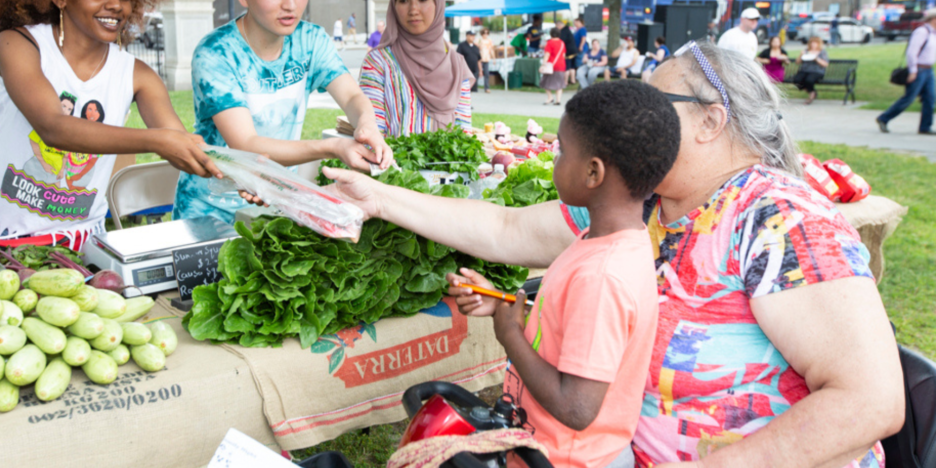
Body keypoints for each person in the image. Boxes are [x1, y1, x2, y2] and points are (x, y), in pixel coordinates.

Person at [322, 40, 904, 468]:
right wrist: (377, 196)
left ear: (710, 121)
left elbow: (870, 401)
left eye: (655, 100)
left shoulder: (779, 217)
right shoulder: (638, 202)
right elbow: (503, 227)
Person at [448, 81, 681, 468]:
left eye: (561, 151)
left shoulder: (603, 277)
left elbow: (576, 407)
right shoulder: (611, 241)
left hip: (566, 459)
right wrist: (505, 304)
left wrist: (509, 335)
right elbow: (570, 324)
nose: (555, 159)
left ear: (593, 173)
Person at [0, 0, 222, 250]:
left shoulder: (138, 75)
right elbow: (53, 127)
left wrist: (240, 178)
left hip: (76, 239)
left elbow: (180, 145)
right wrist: (158, 140)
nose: (116, 5)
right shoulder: (20, 44)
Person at [173, 0, 391, 224]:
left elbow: (352, 95)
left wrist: (367, 125)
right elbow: (246, 144)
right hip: (210, 211)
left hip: (274, 202)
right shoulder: (216, 53)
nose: (290, 3)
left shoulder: (310, 40)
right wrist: (333, 146)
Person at [357, 0, 473, 138]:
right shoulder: (378, 62)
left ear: (438, 3)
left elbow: (464, 133)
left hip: (448, 165)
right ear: (394, 7)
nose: (413, 10)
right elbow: (372, 134)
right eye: (403, 0)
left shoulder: (456, 64)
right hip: (392, 164)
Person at [878, 7, 936, 135]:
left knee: (930, 98)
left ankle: (925, 126)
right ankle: (884, 118)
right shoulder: (922, 31)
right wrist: (913, 70)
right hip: (919, 69)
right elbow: (912, 52)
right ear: (933, 19)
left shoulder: (933, 33)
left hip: (928, 70)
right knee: (909, 98)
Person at [793, 36, 829, 105]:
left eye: (815, 43)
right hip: (805, 70)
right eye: (811, 43)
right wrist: (801, 55)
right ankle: (812, 92)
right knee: (796, 80)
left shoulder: (822, 52)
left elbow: (825, 64)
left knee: (809, 80)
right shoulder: (806, 51)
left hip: (817, 71)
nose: (813, 44)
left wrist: (816, 59)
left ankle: (811, 95)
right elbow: (797, 62)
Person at [540, 27, 567, 105]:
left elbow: (547, 55)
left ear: (551, 34)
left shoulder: (549, 43)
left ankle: (550, 97)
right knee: (559, 83)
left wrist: (543, 65)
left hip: (551, 66)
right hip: (561, 65)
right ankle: (558, 100)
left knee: (544, 82)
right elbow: (564, 55)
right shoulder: (562, 43)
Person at [557, 19, 579, 85]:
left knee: (567, 68)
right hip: (574, 51)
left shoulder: (563, 32)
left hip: (568, 52)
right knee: (572, 67)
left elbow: (561, 41)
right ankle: (573, 80)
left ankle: (565, 82)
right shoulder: (568, 30)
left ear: (559, 25)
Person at [478, 27, 495, 94]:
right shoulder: (479, 40)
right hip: (479, 58)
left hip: (486, 58)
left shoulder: (489, 41)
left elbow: (491, 50)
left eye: (487, 33)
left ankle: (487, 87)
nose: (485, 34)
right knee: (477, 72)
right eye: (484, 33)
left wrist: (494, 58)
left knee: (486, 73)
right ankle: (474, 87)